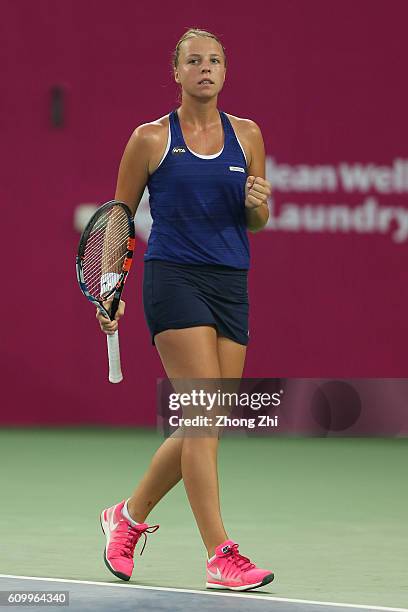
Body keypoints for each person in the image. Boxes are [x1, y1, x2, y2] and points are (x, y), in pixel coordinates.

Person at [97, 28, 274, 591]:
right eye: (193, 60)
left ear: (226, 72)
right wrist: (110, 287)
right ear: (175, 72)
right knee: (200, 416)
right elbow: (118, 218)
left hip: (231, 283)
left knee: (209, 422)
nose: (205, 68)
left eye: (215, 60)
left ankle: (125, 518)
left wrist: (258, 208)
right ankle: (221, 554)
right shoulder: (150, 139)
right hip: (174, 280)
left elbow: (256, 222)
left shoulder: (247, 136)